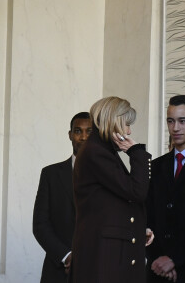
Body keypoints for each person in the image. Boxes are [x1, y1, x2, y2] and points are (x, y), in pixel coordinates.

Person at [69, 96, 152, 283]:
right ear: (113, 121)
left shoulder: (100, 150)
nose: (129, 131)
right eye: (127, 124)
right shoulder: (96, 151)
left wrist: (137, 229)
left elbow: (114, 202)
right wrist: (136, 151)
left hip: (109, 254)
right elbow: (136, 191)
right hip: (105, 256)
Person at [146, 95, 185, 283]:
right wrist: (157, 258)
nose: (175, 128)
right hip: (156, 267)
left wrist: (175, 259)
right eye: (170, 121)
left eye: (182, 121)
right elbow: (148, 214)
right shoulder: (156, 166)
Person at [33, 112, 92, 282]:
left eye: (89, 132)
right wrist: (66, 256)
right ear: (70, 135)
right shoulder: (50, 174)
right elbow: (40, 224)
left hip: (96, 268)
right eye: (78, 131)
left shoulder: (109, 175)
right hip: (58, 271)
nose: (83, 137)